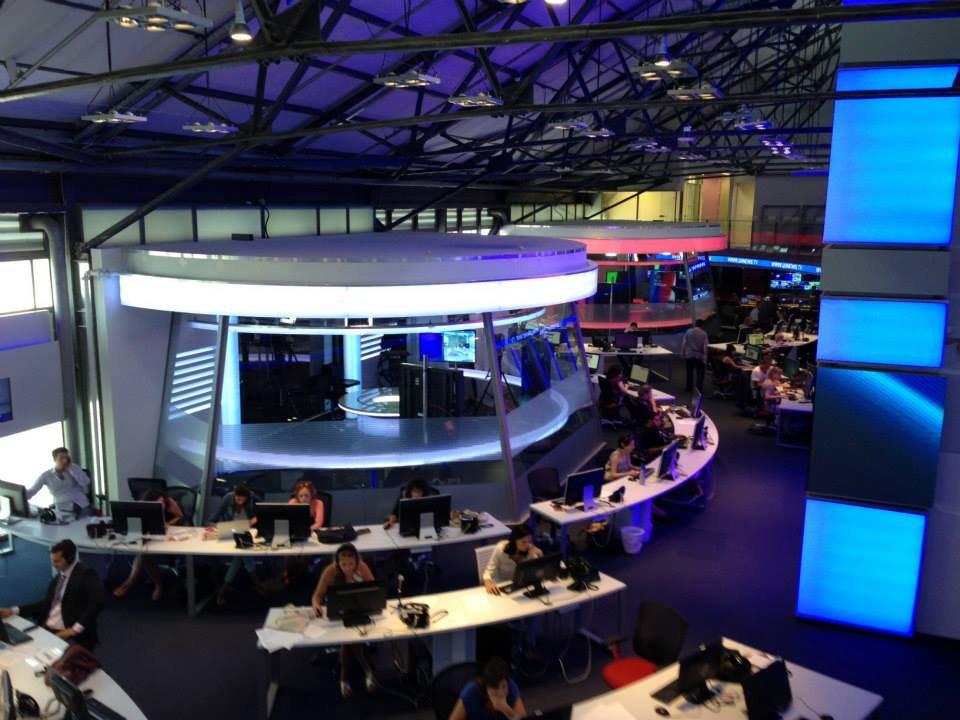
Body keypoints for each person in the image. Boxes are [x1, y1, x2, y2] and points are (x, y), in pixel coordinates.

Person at [0, 540, 104, 650]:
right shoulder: (59, 578)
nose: (53, 565)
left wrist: (74, 629)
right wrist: (13, 611)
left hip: (69, 634)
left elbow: (97, 602)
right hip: (47, 629)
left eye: (57, 561)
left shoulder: (86, 574)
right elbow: (46, 604)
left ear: (69, 558)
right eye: (52, 561)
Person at [311, 543, 377, 698]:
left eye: (351, 564)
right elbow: (317, 596)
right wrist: (316, 605)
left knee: (348, 640)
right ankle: (366, 671)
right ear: (338, 562)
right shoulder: (331, 571)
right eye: (344, 564)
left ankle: (344, 678)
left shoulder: (362, 568)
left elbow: (374, 589)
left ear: (357, 561)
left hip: (359, 610)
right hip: (338, 614)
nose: (348, 568)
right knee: (350, 640)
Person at [113, 489, 184, 601]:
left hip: (169, 533)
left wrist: (168, 523)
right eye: (158, 503)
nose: (162, 505)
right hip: (150, 533)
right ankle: (157, 584)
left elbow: (180, 516)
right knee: (143, 552)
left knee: (143, 553)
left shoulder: (169, 501)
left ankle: (132, 582)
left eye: (162, 502)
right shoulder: (142, 504)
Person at [210, 484, 262, 606]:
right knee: (244, 556)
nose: (240, 502)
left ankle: (222, 590)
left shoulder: (252, 498)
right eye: (237, 499)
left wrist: (255, 519)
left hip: (248, 533)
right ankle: (257, 584)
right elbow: (214, 518)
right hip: (230, 532)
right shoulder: (228, 498)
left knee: (241, 555)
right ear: (234, 496)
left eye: (242, 500)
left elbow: (263, 511)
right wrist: (215, 527)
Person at [449, 656, 527, 720]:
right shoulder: (471, 691)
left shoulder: (511, 686)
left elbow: (523, 718)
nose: (500, 692)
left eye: (503, 687)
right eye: (495, 687)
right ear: (486, 687)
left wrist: (506, 709)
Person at [26, 447, 92, 518]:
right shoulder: (46, 475)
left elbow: (85, 482)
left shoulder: (74, 468)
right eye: (61, 458)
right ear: (55, 459)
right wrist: (22, 498)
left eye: (66, 458)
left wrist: (71, 469)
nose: (64, 461)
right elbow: (32, 490)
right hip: (61, 507)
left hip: (80, 504)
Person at [483, 525, 543, 594]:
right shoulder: (501, 548)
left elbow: (539, 573)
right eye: (523, 542)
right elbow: (488, 571)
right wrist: (488, 583)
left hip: (520, 588)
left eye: (529, 541)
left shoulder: (530, 551)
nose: (527, 545)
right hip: (500, 586)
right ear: (514, 541)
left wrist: (540, 556)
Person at [681, 319, 709, 394]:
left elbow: (684, 342)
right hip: (699, 355)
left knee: (689, 372)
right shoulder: (704, 333)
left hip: (689, 354)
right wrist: (705, 357)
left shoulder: (688, 331)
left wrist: (682, 352)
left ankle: (688, 388)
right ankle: (698, 389)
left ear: (695, 324)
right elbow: (705, 346)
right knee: (700, 373)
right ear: (702, 325)